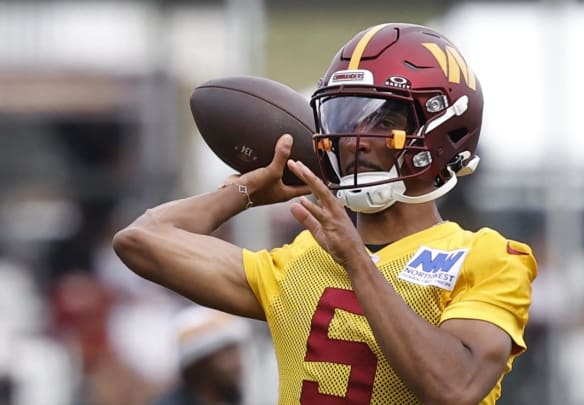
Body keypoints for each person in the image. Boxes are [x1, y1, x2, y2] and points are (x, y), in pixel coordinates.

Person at [114, 22, 536, 405]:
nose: (355, 140)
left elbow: (454, 387)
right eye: (344, 116)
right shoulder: (301, 260)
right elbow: (141, 240)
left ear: (443, 130)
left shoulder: (490, 258)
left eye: (381, 119)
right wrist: (246, 192)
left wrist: (356, 260)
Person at [154, 305, 250, 405]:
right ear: (200, 364)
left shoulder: (242, 398)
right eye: (227, 353)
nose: (238, 363)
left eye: (236, 351)